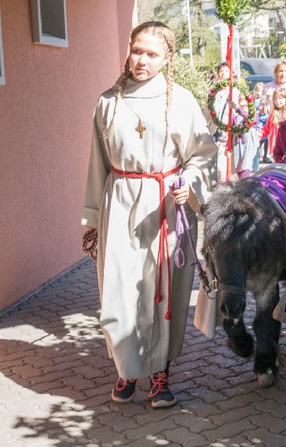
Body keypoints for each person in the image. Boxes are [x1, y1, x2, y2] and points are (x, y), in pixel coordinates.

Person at [81, 21, 216, 408]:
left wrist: (189, 183)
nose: (141, 60)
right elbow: (97, 164)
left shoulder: (182, 101)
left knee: (162, 292)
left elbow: (203, 154)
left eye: (152, 54)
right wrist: (93, 218)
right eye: (137, 50)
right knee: (119, 291)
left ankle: (160, 375)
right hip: (120, 205)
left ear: (167, 58)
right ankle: (126, 369)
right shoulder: (108, 102)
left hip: (165, 205)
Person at [260, 86, 286, 164]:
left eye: (280, 98)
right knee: (278, 170)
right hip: (276, 148)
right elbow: (266, 129)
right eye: (275, 99)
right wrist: (257, 134)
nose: (277, 101)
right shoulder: (273, 114)